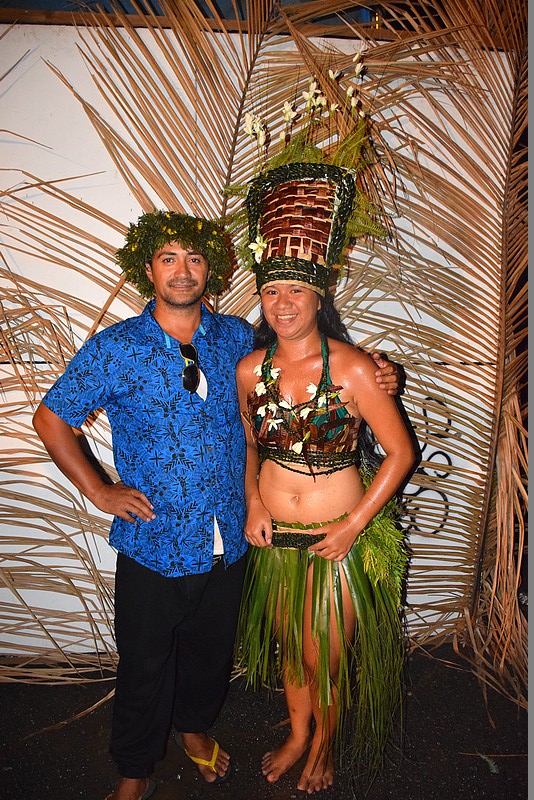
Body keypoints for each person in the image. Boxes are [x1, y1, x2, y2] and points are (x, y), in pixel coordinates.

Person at [32, 209, 400, 800]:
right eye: (169, 259)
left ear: (213, 270)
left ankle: (196, 732)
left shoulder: (234, 337)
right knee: (145, 664)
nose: (183, 271)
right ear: (147, 268)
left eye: (195, 259)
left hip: (234, 537)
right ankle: (134, 768)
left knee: (209, 654)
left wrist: (382, 371)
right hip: (154, 539)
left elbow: (306, 352)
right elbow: (51, 419)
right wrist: (98, 489)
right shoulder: (116, 347)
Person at [234, 174, 416, 794]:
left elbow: (399, 453)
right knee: (292, 648)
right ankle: (298, 732)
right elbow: (252, 442)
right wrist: (254, 500)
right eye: (271, 291)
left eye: (296, 290)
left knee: (325, 657)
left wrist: (353, 525)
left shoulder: (356, 369)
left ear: (319, 297)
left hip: (335, 538)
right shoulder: (249, 369)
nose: (282, 302)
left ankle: (326, 744)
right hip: (277, 535)